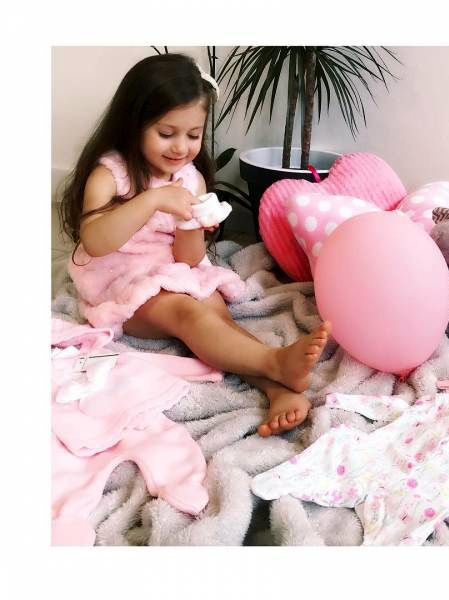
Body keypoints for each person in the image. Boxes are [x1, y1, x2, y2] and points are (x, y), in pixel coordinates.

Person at [59, 53, 330, 437]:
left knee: (216, 317)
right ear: (133, 125)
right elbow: (96, 241)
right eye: (166, 133)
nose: (180, 148)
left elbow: (188, 260)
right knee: (188, 315)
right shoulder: (110, 174)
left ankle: (277, 388)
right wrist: (153, 200)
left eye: (193, 135)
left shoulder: (191, 179)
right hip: (122, 282)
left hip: (172, 270)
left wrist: (192, 224)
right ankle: (274, 362)